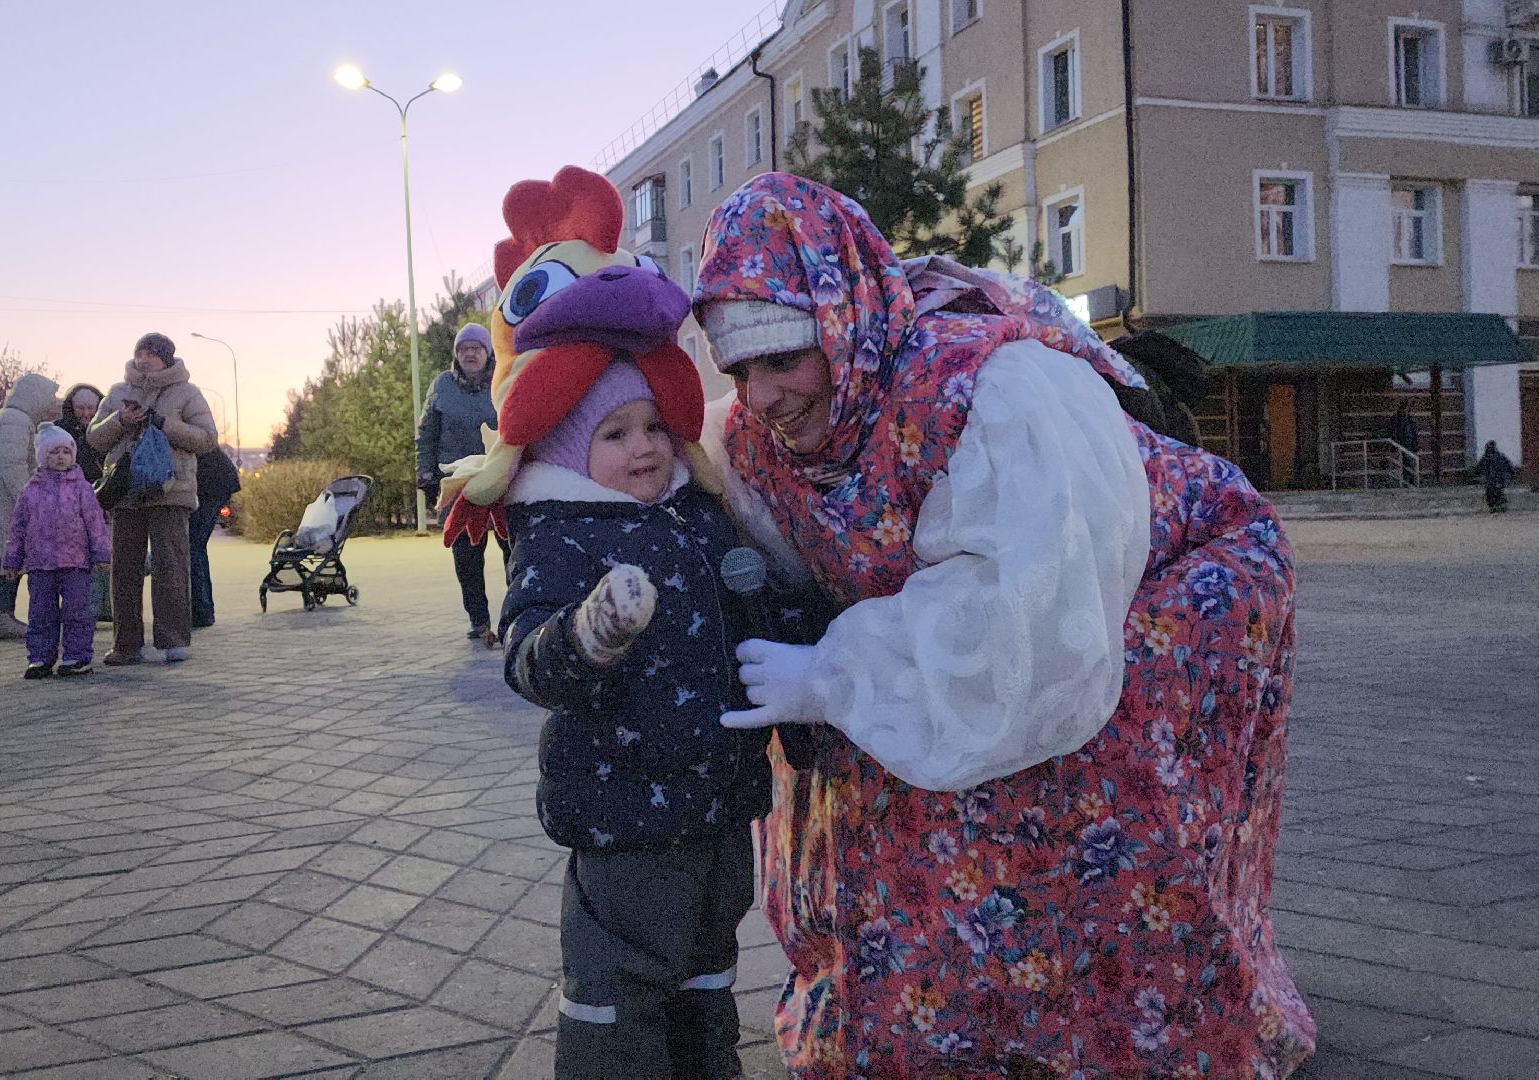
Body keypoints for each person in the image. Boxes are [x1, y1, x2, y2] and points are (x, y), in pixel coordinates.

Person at [694, 173, 1314, 1076]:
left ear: (840, 320)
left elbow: (1029, 616)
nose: (764, 396)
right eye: (739, 369)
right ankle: (949, 1019)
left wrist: (835, 674)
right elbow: (677, 477)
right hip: (1031, 594)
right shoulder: (760, 434)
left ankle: (1131, 1026)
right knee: (884, 781)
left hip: (1170, 576)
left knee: (1095, 767)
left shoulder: (992, 387)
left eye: (783, 358)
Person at [499, 362, 770, 1079]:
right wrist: (588, 635)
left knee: (708, 972)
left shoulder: (699, 514)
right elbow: (528, 659)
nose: (644, 445)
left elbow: (753, 609)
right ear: (565, 452)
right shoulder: (560, 534)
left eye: (654, 426)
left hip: (719, 807)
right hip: (624, 815)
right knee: (617, 989)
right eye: (614, 433)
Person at [87, 332, 217, 665]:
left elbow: (206, 440)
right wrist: (120, 420)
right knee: (124, 570)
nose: (144, 359)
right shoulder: (118, 392)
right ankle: (126, 645)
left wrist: (164, 424)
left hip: (170, 491)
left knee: (171, 567)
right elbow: (95, 437)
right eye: (139, 353)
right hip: (126, 491)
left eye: (152, 354)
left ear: (167, 359)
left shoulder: (187, 393)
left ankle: (174, 640)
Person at [418, 323, 510, 642]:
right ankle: (479, 620)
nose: (470, 353)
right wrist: (425, 473)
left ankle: (516, 615)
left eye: (477, 348)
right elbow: (427, 432)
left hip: (499, 476)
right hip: (459, 482)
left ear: (488, 352)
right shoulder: (442, 385)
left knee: (513, 547)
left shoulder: (503, 380)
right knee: (466, 554)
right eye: (463, 348)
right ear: (456, 355)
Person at [1, 423, 111, 678]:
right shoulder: (31, 491)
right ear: (42, 456)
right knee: (41, 612)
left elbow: (95, 523)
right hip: (41, 564)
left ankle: (77, 656)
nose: (61, 457)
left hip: (76, 562)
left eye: (65, 452)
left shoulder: (82, 489)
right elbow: (17, 528)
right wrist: (12, 561)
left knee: (77, 611)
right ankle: (40, 657)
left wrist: (101, 554)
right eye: (54, 452)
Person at [0, 373, 61, 641]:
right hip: (3, 508)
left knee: (6, 560)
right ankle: (2, 618)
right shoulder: (16, 421)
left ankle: (3, 616)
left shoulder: (12, 418)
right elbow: (13, 465)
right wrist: (30, 499)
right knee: (5, 561)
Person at [58, 383, 113, 623]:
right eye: (80, 407)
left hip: (104, 499)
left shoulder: (107, 429)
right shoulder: (62, 432)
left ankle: (105, 606)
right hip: (72, 503)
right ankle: (87, 610)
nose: (86, 413)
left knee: (104, 555)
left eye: (91, 407)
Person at [188, 444, 242, 629]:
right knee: (196, 546)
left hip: (210, 484)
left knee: (193, 546)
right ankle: (203, 609)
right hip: (216, 482)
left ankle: (201, 610)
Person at [1471, 439, 1516, 512]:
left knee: (1491, 494)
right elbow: (1510, 466)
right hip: (1500, 479)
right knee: (1498, 493)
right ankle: (1500, 506)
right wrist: (1512, 474)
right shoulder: (1500, 456)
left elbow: (1478, 469)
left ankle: (1494, 507)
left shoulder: (1486, 457)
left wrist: (1475, 475)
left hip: (1491, 480)